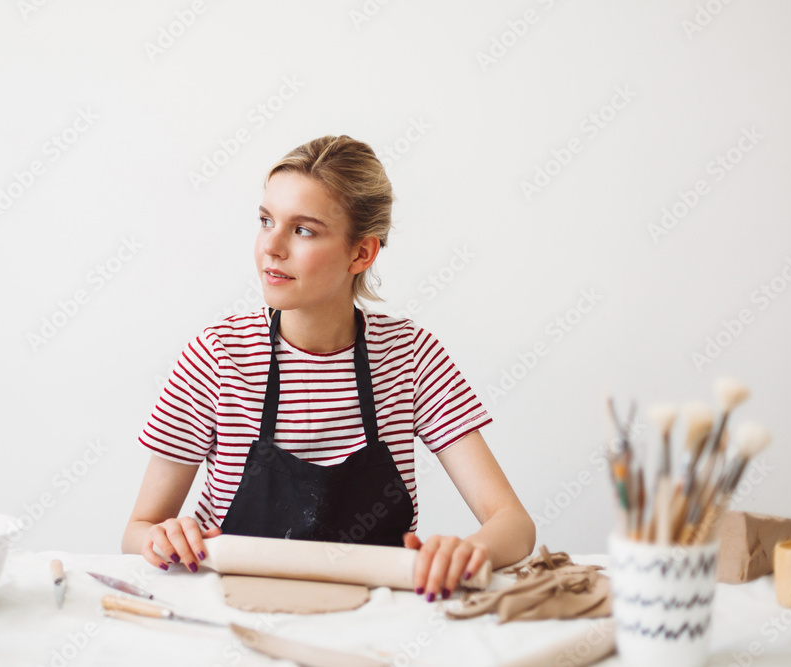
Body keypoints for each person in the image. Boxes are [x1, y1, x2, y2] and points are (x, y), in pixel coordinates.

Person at [122, 135, 535, 601]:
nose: (271, 247)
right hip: (234, 614)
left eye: (303, 230)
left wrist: (469, 552)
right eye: (265, 221)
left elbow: (514, 524)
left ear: (361, 253)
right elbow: (138, 530)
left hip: (380, 621)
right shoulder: (217, 355)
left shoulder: (410, 355)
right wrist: (162, 539)